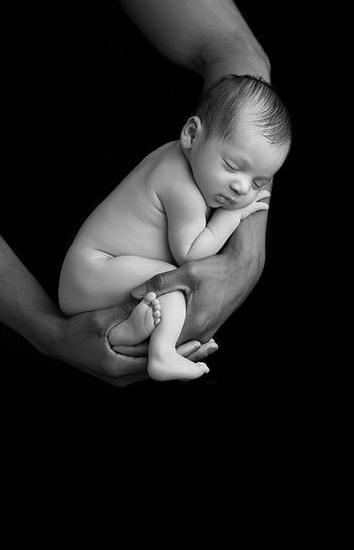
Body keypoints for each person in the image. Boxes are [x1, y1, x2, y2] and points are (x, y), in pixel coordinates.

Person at [0, 0, 275, 386]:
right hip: (10, 293)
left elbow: (231, 49)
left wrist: (245, 258)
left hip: (192, 225)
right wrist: (48, 330)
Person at [59, 75, 290, 381]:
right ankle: (163, 355)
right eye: (233, 167)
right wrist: (231, 218)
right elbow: (190, 255)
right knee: (173, 288)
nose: (241, 188)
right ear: (192, 135)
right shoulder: (183, 188)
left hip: (91, 275)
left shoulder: (179, 158)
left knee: (154, 301)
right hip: (94, 270)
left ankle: (125, 333)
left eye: (257, 183)